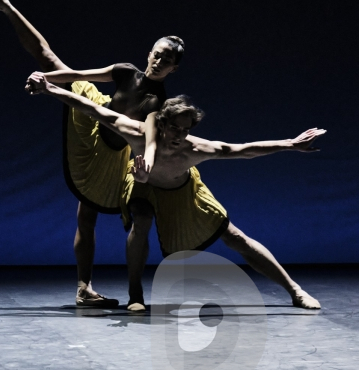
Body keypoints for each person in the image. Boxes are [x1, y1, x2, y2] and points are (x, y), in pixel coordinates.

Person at [26, 74, 325, 311]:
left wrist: (290, 143)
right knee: (141, 220)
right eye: (175, 129)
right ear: (163, 124)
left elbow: (243, 151)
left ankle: (295, 291)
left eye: (186, 130)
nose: (180, 136)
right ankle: (135, 294)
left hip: (181, 190)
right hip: (142, 186)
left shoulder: (195, 149)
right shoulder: (136, 133)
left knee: (234, 237)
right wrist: (49, 89)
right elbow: (92, 109)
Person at [0, 0, 183, 307]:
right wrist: (43, 78)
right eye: (157, 53)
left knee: (88, 216)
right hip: (93, 124)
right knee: (48, 58)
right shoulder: (124, 70)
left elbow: (148, 131)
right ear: (150, 51)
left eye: (167, 61)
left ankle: (86, 290)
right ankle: (4, 5)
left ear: (174, 69)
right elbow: (77, 74)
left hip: (112, 156)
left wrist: (147, 156)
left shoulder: (160, 102)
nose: (158, 61)